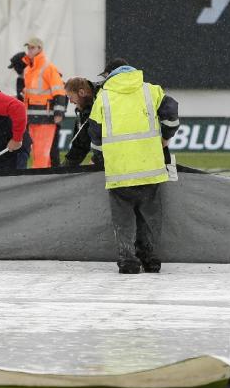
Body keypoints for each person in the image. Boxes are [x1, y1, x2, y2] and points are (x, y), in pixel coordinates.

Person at [88, 58, 179, 274]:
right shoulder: (151, 91)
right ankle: (151, 259)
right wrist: (165, 137)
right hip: (151, 171)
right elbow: (172, 116)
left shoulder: (103, 97)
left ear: (110, 74)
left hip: (119, 172)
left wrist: (100, 160)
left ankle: (128, 261)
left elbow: (95, 135)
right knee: (150, 217)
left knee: (123, 219)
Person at [20, 37, 67, 168]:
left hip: (46, 118)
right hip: (32, 119)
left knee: (42, 154)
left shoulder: (48, 67)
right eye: (28, 47)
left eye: (32, 47)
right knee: (38, 154)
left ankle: (39, 181)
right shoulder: (28, 70)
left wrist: (58, 113)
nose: (29, 50)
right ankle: (44, 181)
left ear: (40, 49)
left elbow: (59, 91)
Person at [62, 76, 103, 168]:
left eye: (71, 97)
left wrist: (97, 159)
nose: (71, 102)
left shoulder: (103, 99)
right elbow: (81, 144)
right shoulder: (85, 110)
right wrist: (64, 168)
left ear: (81, 92)